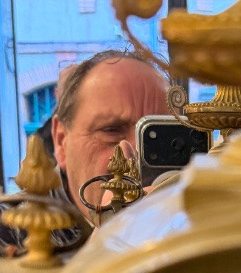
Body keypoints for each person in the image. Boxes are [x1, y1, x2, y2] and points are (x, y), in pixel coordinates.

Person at [52, 49, 170, 219]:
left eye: (157, 135)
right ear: (61, 141)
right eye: (111, 130)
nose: (135, 153)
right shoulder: (10, 231)